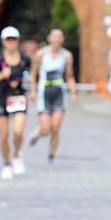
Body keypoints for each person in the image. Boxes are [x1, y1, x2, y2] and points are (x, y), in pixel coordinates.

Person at [0, 26, 31, 179]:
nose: (11, 42)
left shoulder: (25, 58)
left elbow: (32, 73)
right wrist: (1, 75)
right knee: (4, 136)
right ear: (3, 41)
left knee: (18, 132)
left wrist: (32, 84)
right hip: (4, 98)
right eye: (8, 39)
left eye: (14, 39)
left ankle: (17, 154)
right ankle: (6, 163)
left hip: (19, 97)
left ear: (18, 40)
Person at [28, 26, 78, 166]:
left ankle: (51, 156)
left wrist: (74, 93)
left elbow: (70, 76)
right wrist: (33, 91)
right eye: (54, 36)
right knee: (46, 129)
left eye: (59, 36)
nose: (57, 39)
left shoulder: (67, 55)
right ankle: (39, 133)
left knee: (55, 128)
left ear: (62, 39)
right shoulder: (41, 54)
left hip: (59, 93)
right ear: (49, 38)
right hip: (44, 92)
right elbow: (32, 75)